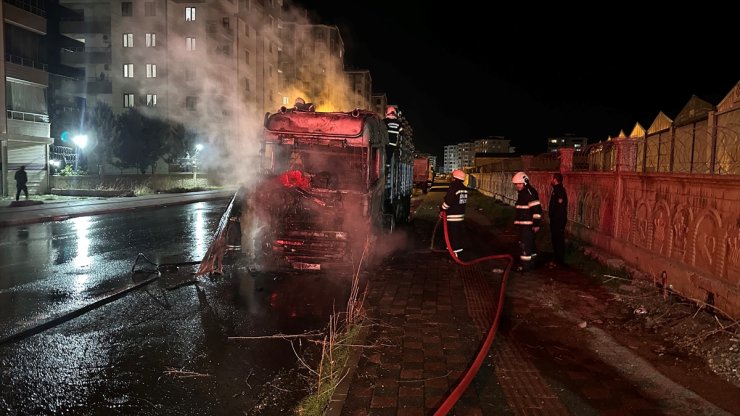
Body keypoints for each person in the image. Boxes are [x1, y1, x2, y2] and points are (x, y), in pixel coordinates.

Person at [512, 171, 542, 271]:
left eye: (519, 184)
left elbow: (536, 210)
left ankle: (525, 267)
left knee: (525, 246)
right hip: (524, 225)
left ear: (525, 182)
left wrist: (536, 224)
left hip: (527, 226)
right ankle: (532, 264)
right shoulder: (523, 193)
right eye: (516, 184)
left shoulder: (529, 193)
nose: (517, 186)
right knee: (530, 245)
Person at [440, 169, 468, 258]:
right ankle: (458, 251)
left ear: (454, 177)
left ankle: (454, 253)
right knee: (458, 234)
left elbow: (448, 202)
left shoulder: (454, 187)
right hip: (460, 216)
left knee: (452, 235)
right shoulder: (464, 188)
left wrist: (442, 208)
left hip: (452, 216)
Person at [547, 173, 568, 268]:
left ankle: (559, 261)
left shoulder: (560, 191)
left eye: (551, 178)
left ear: (555, 179)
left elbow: (560, 208)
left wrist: (556, 219)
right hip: (555, 221)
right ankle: (556, 259)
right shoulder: (556, 190)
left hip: (558, 221)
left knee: (558, 240)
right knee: (555, 240)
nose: (550, 180)